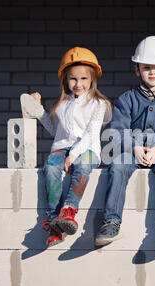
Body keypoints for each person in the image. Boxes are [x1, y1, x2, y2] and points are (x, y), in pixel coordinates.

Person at [95, 36, 155, 250]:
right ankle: (111, 222)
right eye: (146, 67)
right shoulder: (126, 99)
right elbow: (117, 131)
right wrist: (134, 147)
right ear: (137, 69)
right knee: (118, 166)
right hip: (133, 151)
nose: (152, 72)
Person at [21, 47, 112, 247]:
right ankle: (55, 222)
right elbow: (56, 130)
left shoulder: (99, 103)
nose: (78, 84)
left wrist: (74, 153)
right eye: (73, 79)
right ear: (65, 80)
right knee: (51, 166)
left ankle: (69, 210)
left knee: (84, 164)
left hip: (87, 149)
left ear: (92, 80)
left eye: (83, 79)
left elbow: (91, 133)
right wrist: (38, 110)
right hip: (63, 148)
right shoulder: (61, 104)